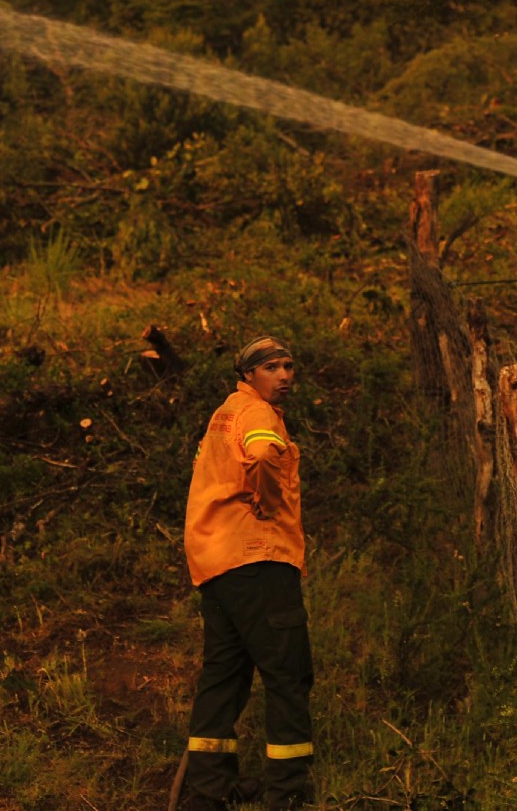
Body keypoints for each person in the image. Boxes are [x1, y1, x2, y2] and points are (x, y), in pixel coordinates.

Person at [178, 335, 314, 810]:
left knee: (224, 677)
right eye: (273, 368)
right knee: (288, 675)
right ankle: (288, 793)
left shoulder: (223, 415)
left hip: (216, 565)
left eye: (289, 366)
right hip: (259, 559)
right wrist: (270, 501)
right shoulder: (257, 415)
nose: (285, 376)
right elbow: (261, 456)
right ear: (250, 375)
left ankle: (208, 793)